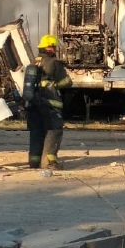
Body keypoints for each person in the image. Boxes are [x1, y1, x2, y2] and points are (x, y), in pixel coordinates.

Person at [28, 34, 72, 169]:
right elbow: (66, 83)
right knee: (53, 131)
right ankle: (49, 162)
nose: (54, 49)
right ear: (50, 48)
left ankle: (34, 161)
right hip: (50, 104)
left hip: (33, 104)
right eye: (53, 47)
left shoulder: (34, 62)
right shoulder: (54, 63)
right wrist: (56, 85)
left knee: (37, 132)